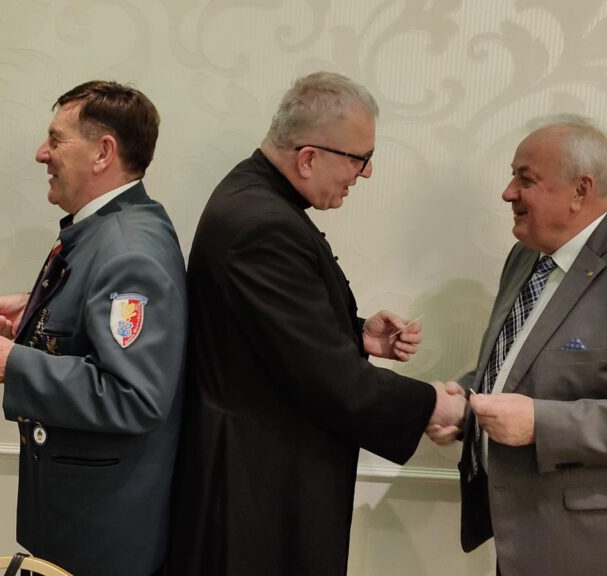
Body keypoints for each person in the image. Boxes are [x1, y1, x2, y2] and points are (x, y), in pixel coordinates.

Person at [164, 71, 467, 576]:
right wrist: (432, 404)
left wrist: (354, 332)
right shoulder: (263, 225)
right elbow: (329, 378)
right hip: (254, 489)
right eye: (359, 158)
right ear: (308, 158)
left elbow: (272, 334)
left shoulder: (255, 196)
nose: (365, 173)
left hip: (258, 473)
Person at [432, 115, 607, 576]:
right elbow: (521, 361)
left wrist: (543, 424)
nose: (508, 193)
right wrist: (468, 400)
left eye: (525, 179)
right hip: (525, 532)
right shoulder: (527, 254)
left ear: (580, 190)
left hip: (605, 548)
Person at [0, 81, 186, 576]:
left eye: (56, 140)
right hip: (79, 512)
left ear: (103, 153)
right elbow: (98, 333)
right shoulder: (108, 227)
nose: (42, 153)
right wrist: (38, 312)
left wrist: (10, 363)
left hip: (101, 529)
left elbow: (134, 395)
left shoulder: (128, 248)